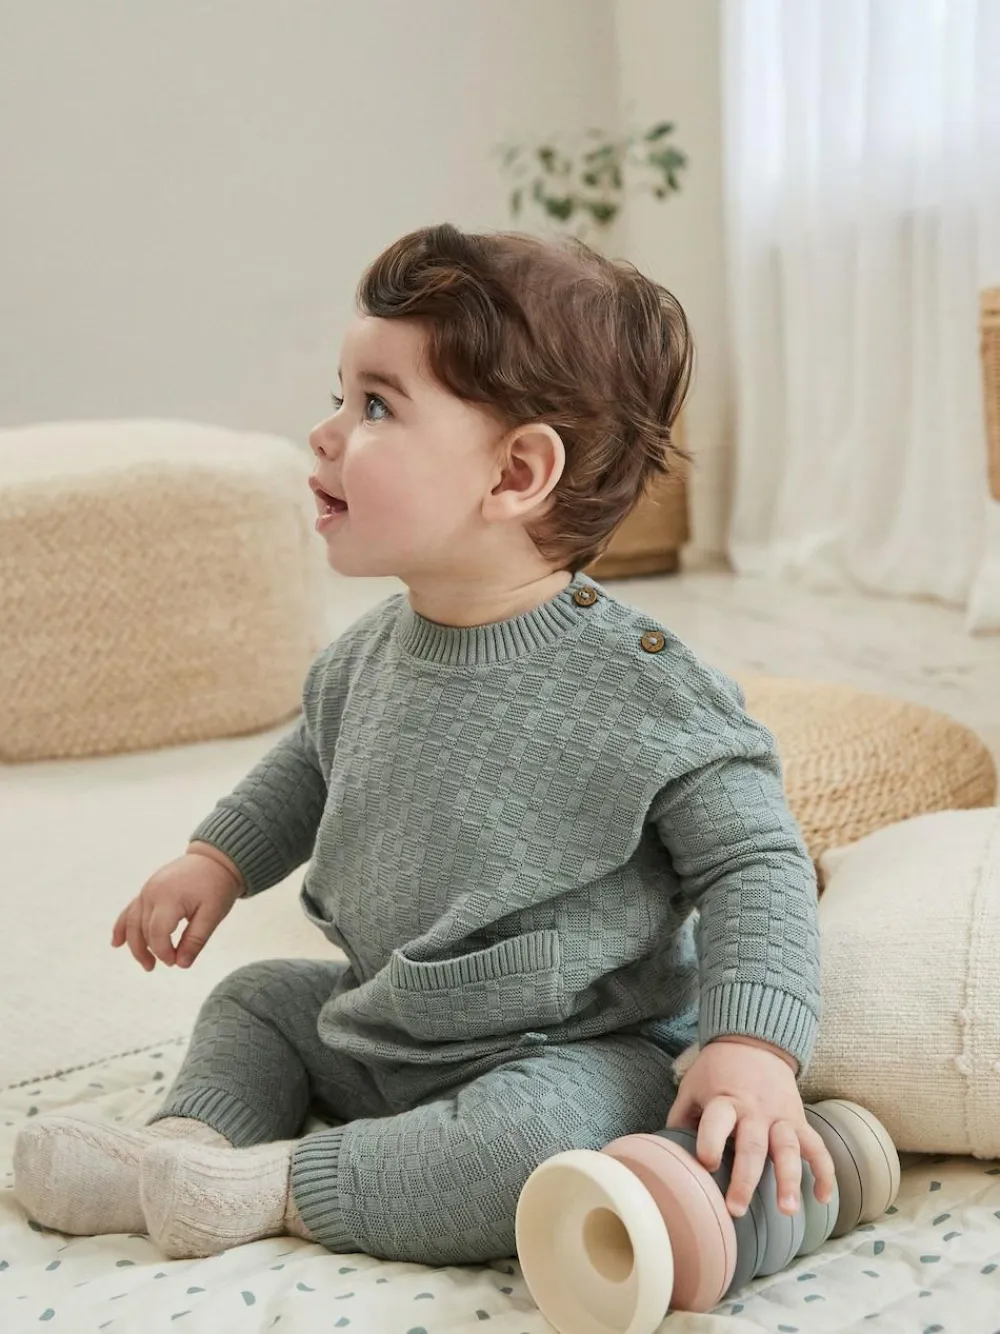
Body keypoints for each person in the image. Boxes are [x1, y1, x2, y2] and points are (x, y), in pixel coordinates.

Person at [14, 223, 834, 1266]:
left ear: (515, 473)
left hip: (570, 1045)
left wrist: (752, 1045)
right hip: (384, 1019)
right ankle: (184, 1148)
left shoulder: (645, 687)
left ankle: (267, 1190)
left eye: (375, 405)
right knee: (255, 1003)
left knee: (540, 1143)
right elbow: (312, 762)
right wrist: (215, 858)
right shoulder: (370, 650)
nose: (323, 434)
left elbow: (755, 861)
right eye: (340, 395)